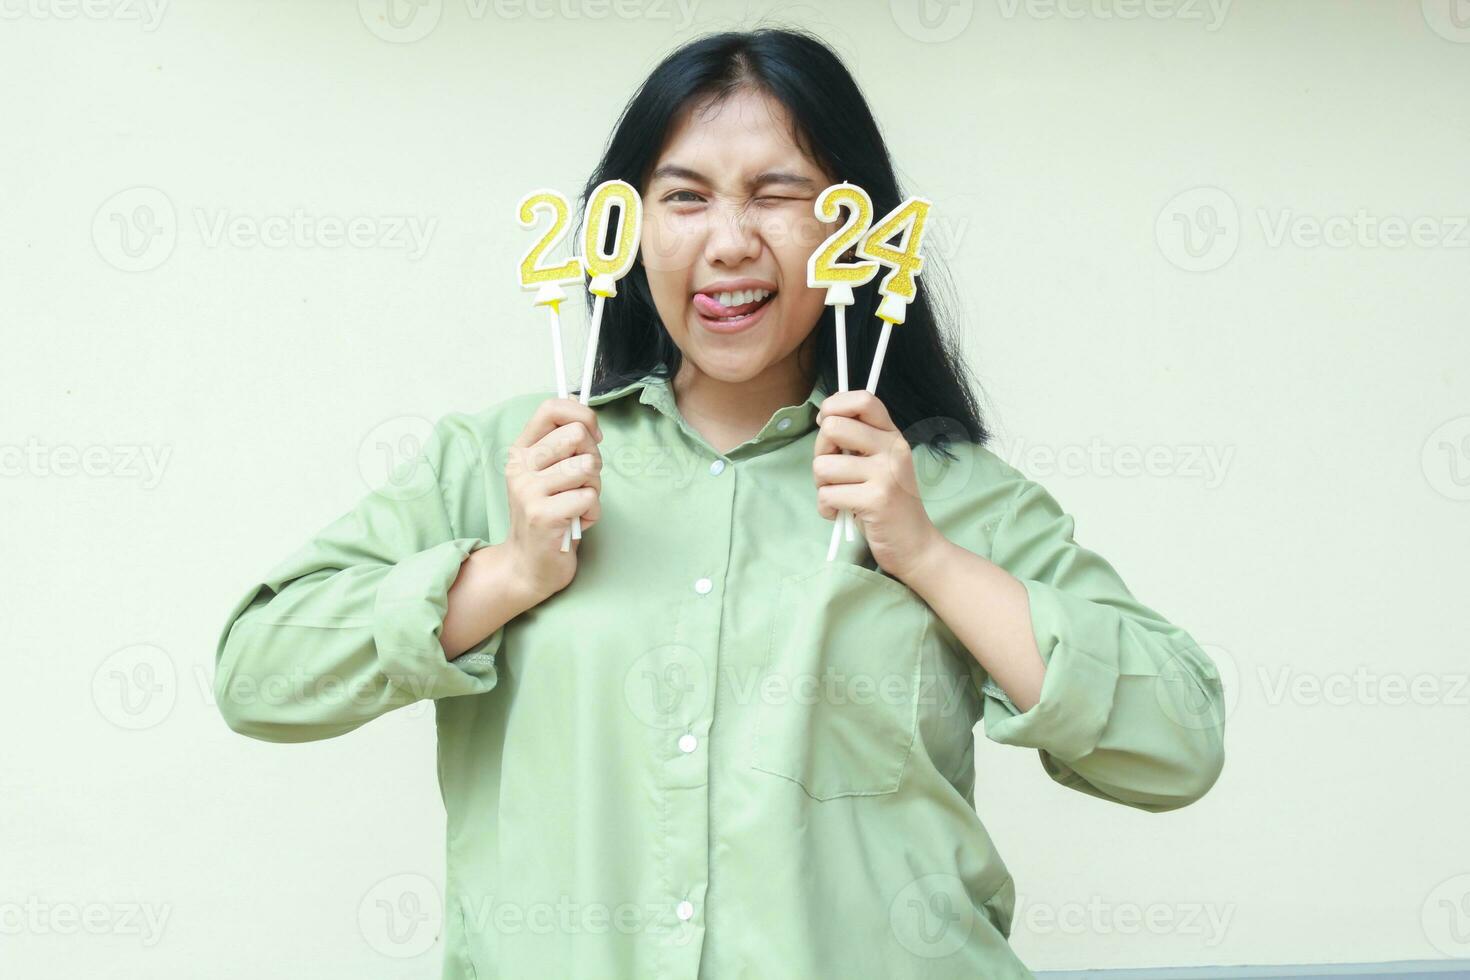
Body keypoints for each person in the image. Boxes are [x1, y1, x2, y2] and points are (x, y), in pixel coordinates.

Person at [214, 27, 1226, 979]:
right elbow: (258, 673)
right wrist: (508, 572)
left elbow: (1178, 743)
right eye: (686, 196)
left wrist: (929, 556)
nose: (730, 240)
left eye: (777, 193)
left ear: (852, 226)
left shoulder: (950, 495)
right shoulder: (503, 461)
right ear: (625, 224)